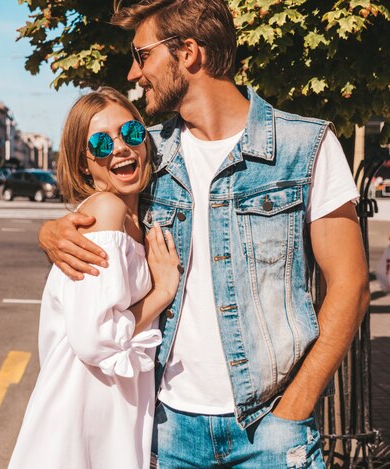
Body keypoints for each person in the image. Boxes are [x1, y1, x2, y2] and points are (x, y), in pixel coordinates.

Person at [38, 0, 370, 467]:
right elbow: (98, 209)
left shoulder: (305, 146)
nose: (134, 75)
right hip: (168, 431)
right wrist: (51, 231)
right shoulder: (147, 151)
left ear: (188, 53)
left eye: (141, 56)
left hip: (270, 431)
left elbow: (351, 286)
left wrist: (295, 408)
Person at [9, 87, 181, 469]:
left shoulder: (134, 216)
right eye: (101, 143)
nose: (120, 148)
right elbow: (95, 338)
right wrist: (163, 290)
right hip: (77, 426)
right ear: (84, 163)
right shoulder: (105, 209)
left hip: (107, 417)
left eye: (132, 133)